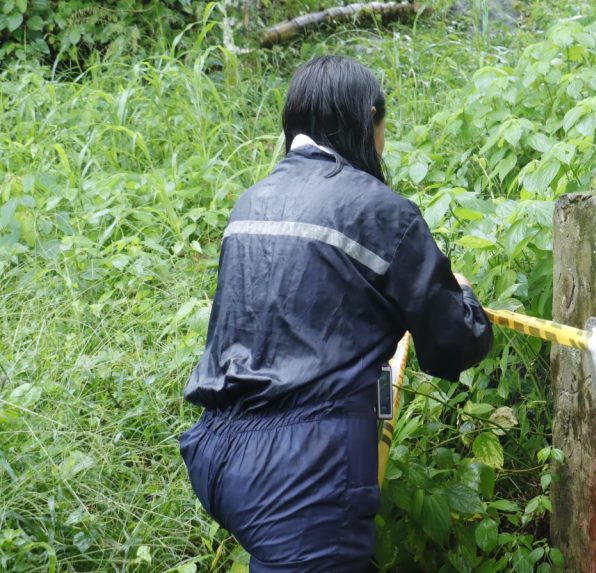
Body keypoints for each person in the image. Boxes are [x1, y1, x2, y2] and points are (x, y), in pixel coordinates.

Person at [178, 55, 493, 572]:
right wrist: (464, 294)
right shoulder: (378, 210)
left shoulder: (251, 204)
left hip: (218, 453)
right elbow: (455, 340)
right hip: (302, 475)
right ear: (369, 117)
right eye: (383, 127)